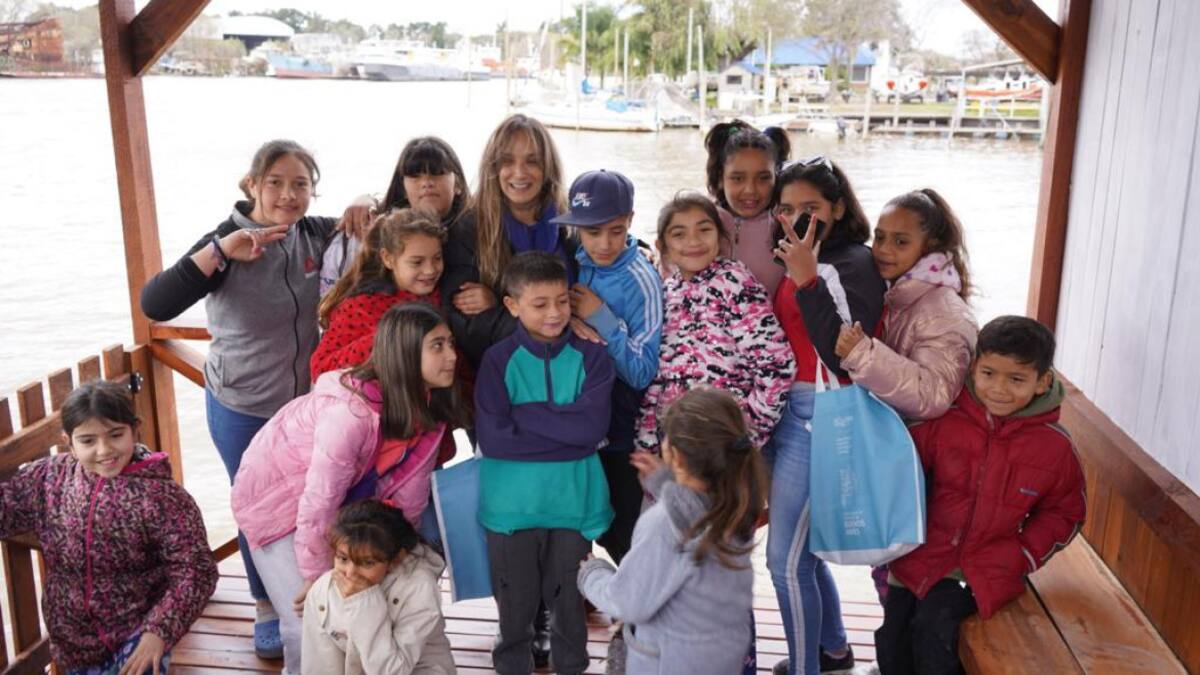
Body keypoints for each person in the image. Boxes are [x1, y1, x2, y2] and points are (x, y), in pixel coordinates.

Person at [139, 139, 358, 658]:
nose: (288, 194)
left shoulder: (315, 233)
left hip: (301, 408)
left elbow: (369, 224)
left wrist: (364, 204)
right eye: (276, 182)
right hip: (239, 403)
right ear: (252, 185)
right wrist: (219, 253)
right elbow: (155, 301)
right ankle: (265, 604)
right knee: (254, 506)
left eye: (300, 184)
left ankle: (310, 598)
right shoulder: (224, 241)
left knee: (309, 503)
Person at [231, 303, 471, 674]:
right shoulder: (351, 415)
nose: (452, 356)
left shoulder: (428, 410)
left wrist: (399, 553)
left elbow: (408, 497)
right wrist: (313, 576)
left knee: (364, 603)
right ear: (405, 353)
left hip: (341, 502)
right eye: (437, 346)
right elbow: (318, 502)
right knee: (307, 618)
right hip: (275, 502)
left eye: (451, 344)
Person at [874, 316, 1086, 675]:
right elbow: (898, 468)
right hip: (918, 556)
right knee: (892, 643)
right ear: (974, 368)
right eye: (989, 373)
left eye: (1016, 378)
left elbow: (1065, 513)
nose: (999, 388)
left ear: (1042, 382)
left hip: (980, 570)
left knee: (934, 636)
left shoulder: (1054, 448)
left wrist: (1023, 554)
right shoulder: (944, 420)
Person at [0, 380, 217, 674]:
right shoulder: (48, 478)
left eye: (116, 435)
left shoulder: (164, 497)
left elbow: (196, 569)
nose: (104, 450)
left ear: (134, 430)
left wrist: (158, 632)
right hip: (71, 642)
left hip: (137, 634)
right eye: (88, 441)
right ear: (70, 443)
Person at [769, 156, 887, 675]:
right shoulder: (806, 256)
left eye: (812, 209)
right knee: (803, 553)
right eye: (788, 208)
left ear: (838, 208)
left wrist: (808, 280)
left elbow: (843, 355)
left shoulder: (851, 263)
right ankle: (833, 650)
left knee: (785, 563)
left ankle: (804, 670)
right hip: (791, 412)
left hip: (822, 414)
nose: (799, 219)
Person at [474, 251, 616, 675]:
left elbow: (591, 430)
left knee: (569, 605)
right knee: (514, 609)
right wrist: (566, 432)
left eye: (562, 301)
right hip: (510, 509)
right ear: (512, 305)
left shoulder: (592, 355)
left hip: (572, 502)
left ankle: (572, 667)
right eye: (540, 304)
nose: (554, 313)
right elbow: (494, 440)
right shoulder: (498, 360)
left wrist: (525, 416)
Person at [579, 387, 768, 675]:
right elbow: (695, 510)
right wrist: (665, 482)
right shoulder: (737, 504)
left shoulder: (664, 524)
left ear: (675, 456)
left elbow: (629, 602)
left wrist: (592, 573)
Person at [554, 169, 663, 563]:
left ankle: (644, 619)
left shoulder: (643, 279)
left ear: (631, 221)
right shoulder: (571, 258)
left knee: (627, 534)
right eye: (593, 231)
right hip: (574, 420)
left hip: (620, 427)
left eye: (615, 231)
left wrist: (601, 318)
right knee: (585, 523)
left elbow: (641, 371)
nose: (604, 243)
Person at [636, 192, 794, 454]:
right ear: (662, 246)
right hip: (676, 447)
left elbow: (777, 366)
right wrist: (647, 445)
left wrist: (746, 438)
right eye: (679, 234)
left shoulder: (735, 283)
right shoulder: (666, 292)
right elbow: (659, 376)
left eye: (704, 230)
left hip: (725, 448)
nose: (693, 241)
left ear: (720, 238)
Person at [441, 114, 576, 373]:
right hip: (509, 372)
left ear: (548, 168)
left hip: (573, 365)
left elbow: (606, 240)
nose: (519, 172)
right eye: (507, 162)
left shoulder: (570, 222)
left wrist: (636, 249)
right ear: (493, 168)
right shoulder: (469, 229)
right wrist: (550, 330)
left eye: (532, 161)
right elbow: (467, 324)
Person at [835, 188, 978, 421]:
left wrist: (862, 355)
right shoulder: (894, 291)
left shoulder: (944, 313)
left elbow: (933, 395)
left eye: (900, 241)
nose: (883, 250)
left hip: (922, 449)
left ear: (929, 246)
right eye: (879, 237)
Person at [302, 499, 455, 674]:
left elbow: (392, 671)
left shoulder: (419, 589)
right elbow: (321, 665)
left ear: (395, 560)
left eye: (367, 563)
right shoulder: (322, 592)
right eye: (343, 559)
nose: (350, 573)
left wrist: (364, 602)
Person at [321, 136, 470, 296]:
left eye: (437, 173)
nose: (427, 182)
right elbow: (332, 300)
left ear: (458, 184)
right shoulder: (369, 231)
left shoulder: (478, 233)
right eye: (415, 176)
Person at [312, 208, 445, 380]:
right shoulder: (360, 305)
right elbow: (320, 368)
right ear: (388, 259)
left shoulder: (440, 296)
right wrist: (389, 340)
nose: (430, 270)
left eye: (437, 258)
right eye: (417, 262)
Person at [703, 120, 792, 296]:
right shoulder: (701, 221)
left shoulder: (787, 228)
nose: (750, 190)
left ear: (776, 176)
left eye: (763, 178)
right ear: (721, 178)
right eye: (737, 178)